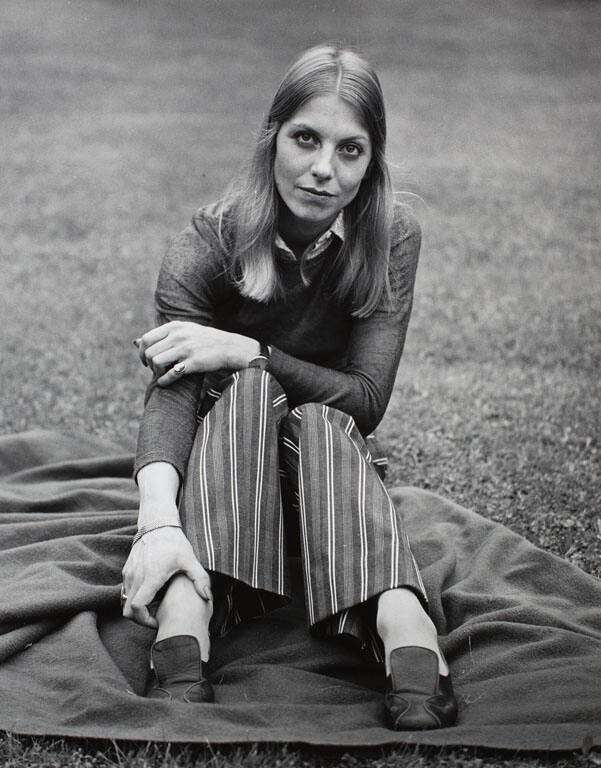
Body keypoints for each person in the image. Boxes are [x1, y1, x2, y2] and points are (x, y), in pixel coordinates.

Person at [121, 43, 457, 731]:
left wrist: (250, 348)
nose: (323, 169)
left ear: (372, 161)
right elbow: (176, 388)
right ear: (272, 136)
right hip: (226, 467)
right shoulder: (209, 239)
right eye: (306, 138)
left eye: (350, 149)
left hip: (325, 469)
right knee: (243, 391)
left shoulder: (388, 234)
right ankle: (188, 601)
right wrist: (157, 522)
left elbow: (363, 400)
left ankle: (399, 613)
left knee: (322, 421)